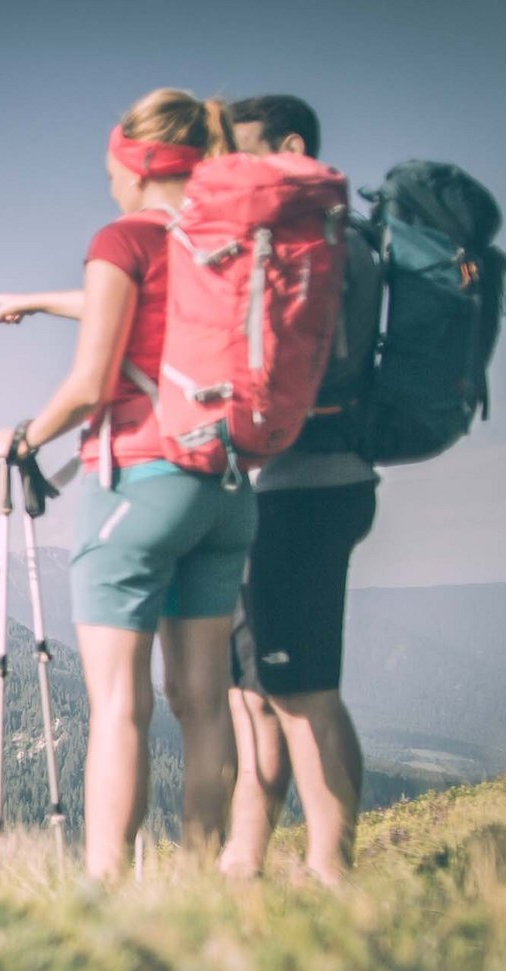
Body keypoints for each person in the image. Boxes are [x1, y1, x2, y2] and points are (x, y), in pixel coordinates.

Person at [0, 88, 250, 880]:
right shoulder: (230, 243)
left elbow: (92, 383)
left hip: (135, 481)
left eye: (112, 171)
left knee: (120, 709)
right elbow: (150, 314)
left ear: (138, 165)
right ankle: (205, 883)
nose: (108, 187)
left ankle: (107, 895)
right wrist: (38, 300)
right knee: (204, 704)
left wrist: (23, 438)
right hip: (226, 486)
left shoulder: (123, 237)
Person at [216, 95, 380, 885]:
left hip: (302, 484)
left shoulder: (313, 245)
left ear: (288, 146)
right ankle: (242, 865)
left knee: (299, 687)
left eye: (243, 153)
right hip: (304, 484)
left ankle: (331, 872)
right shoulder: (337, 241)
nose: (234, 170)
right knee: (256, 691)